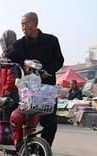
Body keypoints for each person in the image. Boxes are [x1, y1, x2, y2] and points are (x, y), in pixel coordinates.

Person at [8, 12, 64, 147]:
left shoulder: (51, 41)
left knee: (50, 124)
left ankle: (43, 153)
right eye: (21, 24)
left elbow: (59, 60)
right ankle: (21, 148)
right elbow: (11, 61)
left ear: (34, 23)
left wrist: (47, 71)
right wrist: (18, 73)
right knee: (20, 119)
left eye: (25, 23)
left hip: (46, 90)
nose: (22, 27)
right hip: (26, 91)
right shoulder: (18, 45)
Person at [0, 30, 20, 121]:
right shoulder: (6, 54)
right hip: (7, 92)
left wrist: (7, 90)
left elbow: (12, 75)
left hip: (9, 93)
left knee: (6, 120)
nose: (2, 44)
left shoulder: (11, 54)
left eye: (3, 41)